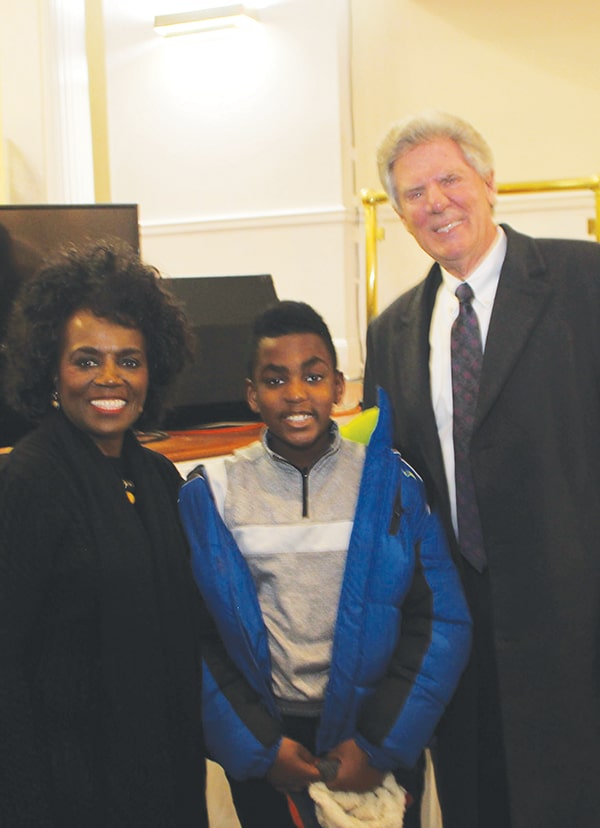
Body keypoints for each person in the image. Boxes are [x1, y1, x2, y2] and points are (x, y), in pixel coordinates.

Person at [363, 110, 600, 828]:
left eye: (449, 180)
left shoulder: (583, 279)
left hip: (574, 617)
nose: (435, 202)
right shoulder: (392, 331)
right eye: (414, 193)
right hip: (456, 631)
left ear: (489, 182)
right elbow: (396, 485)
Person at [178, 300, 471, 828]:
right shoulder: (214, 493)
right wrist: (260, 747)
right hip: (274, 739)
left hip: (373, 730)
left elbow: (441, 621)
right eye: (275, 380)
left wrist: (379, 744)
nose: (296, 393)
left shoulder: (391, 484)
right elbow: (193, 637)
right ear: (252, 394)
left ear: (338, 387)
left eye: (313, 376)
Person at [0, 242, 209, 827]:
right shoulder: (31, 479)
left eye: (129, 361)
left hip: (165, 775)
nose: (110, 378)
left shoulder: (159, 477)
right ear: (51, 369)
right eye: (87, 360)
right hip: (69, 793)